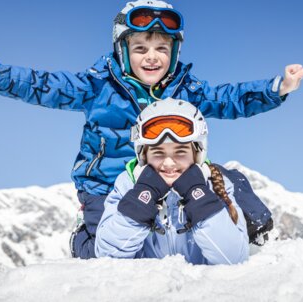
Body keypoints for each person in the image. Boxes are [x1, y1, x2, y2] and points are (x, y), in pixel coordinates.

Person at [0, 0, 303, 258]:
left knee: (229, 177)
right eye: (140, 48)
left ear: (175, 51)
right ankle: (84, 240)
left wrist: (277, 88)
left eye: (162, 48)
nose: (152, 57)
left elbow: (229, 100)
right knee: (114, 252)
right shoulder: (97, 86)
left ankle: (254, 232)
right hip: (107, 184)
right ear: (122, 51)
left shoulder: (187, 89)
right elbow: (47, 85)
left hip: (170, 174)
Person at [95, 98, 248, 264]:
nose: (168, 163)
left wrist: (201, 200)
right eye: (158, 152)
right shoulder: (127, 185)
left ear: (197, 153)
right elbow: (107, 256)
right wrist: (140, 202)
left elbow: (234, 259)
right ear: (143, 155)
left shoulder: (216, 184)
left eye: (180, 152)